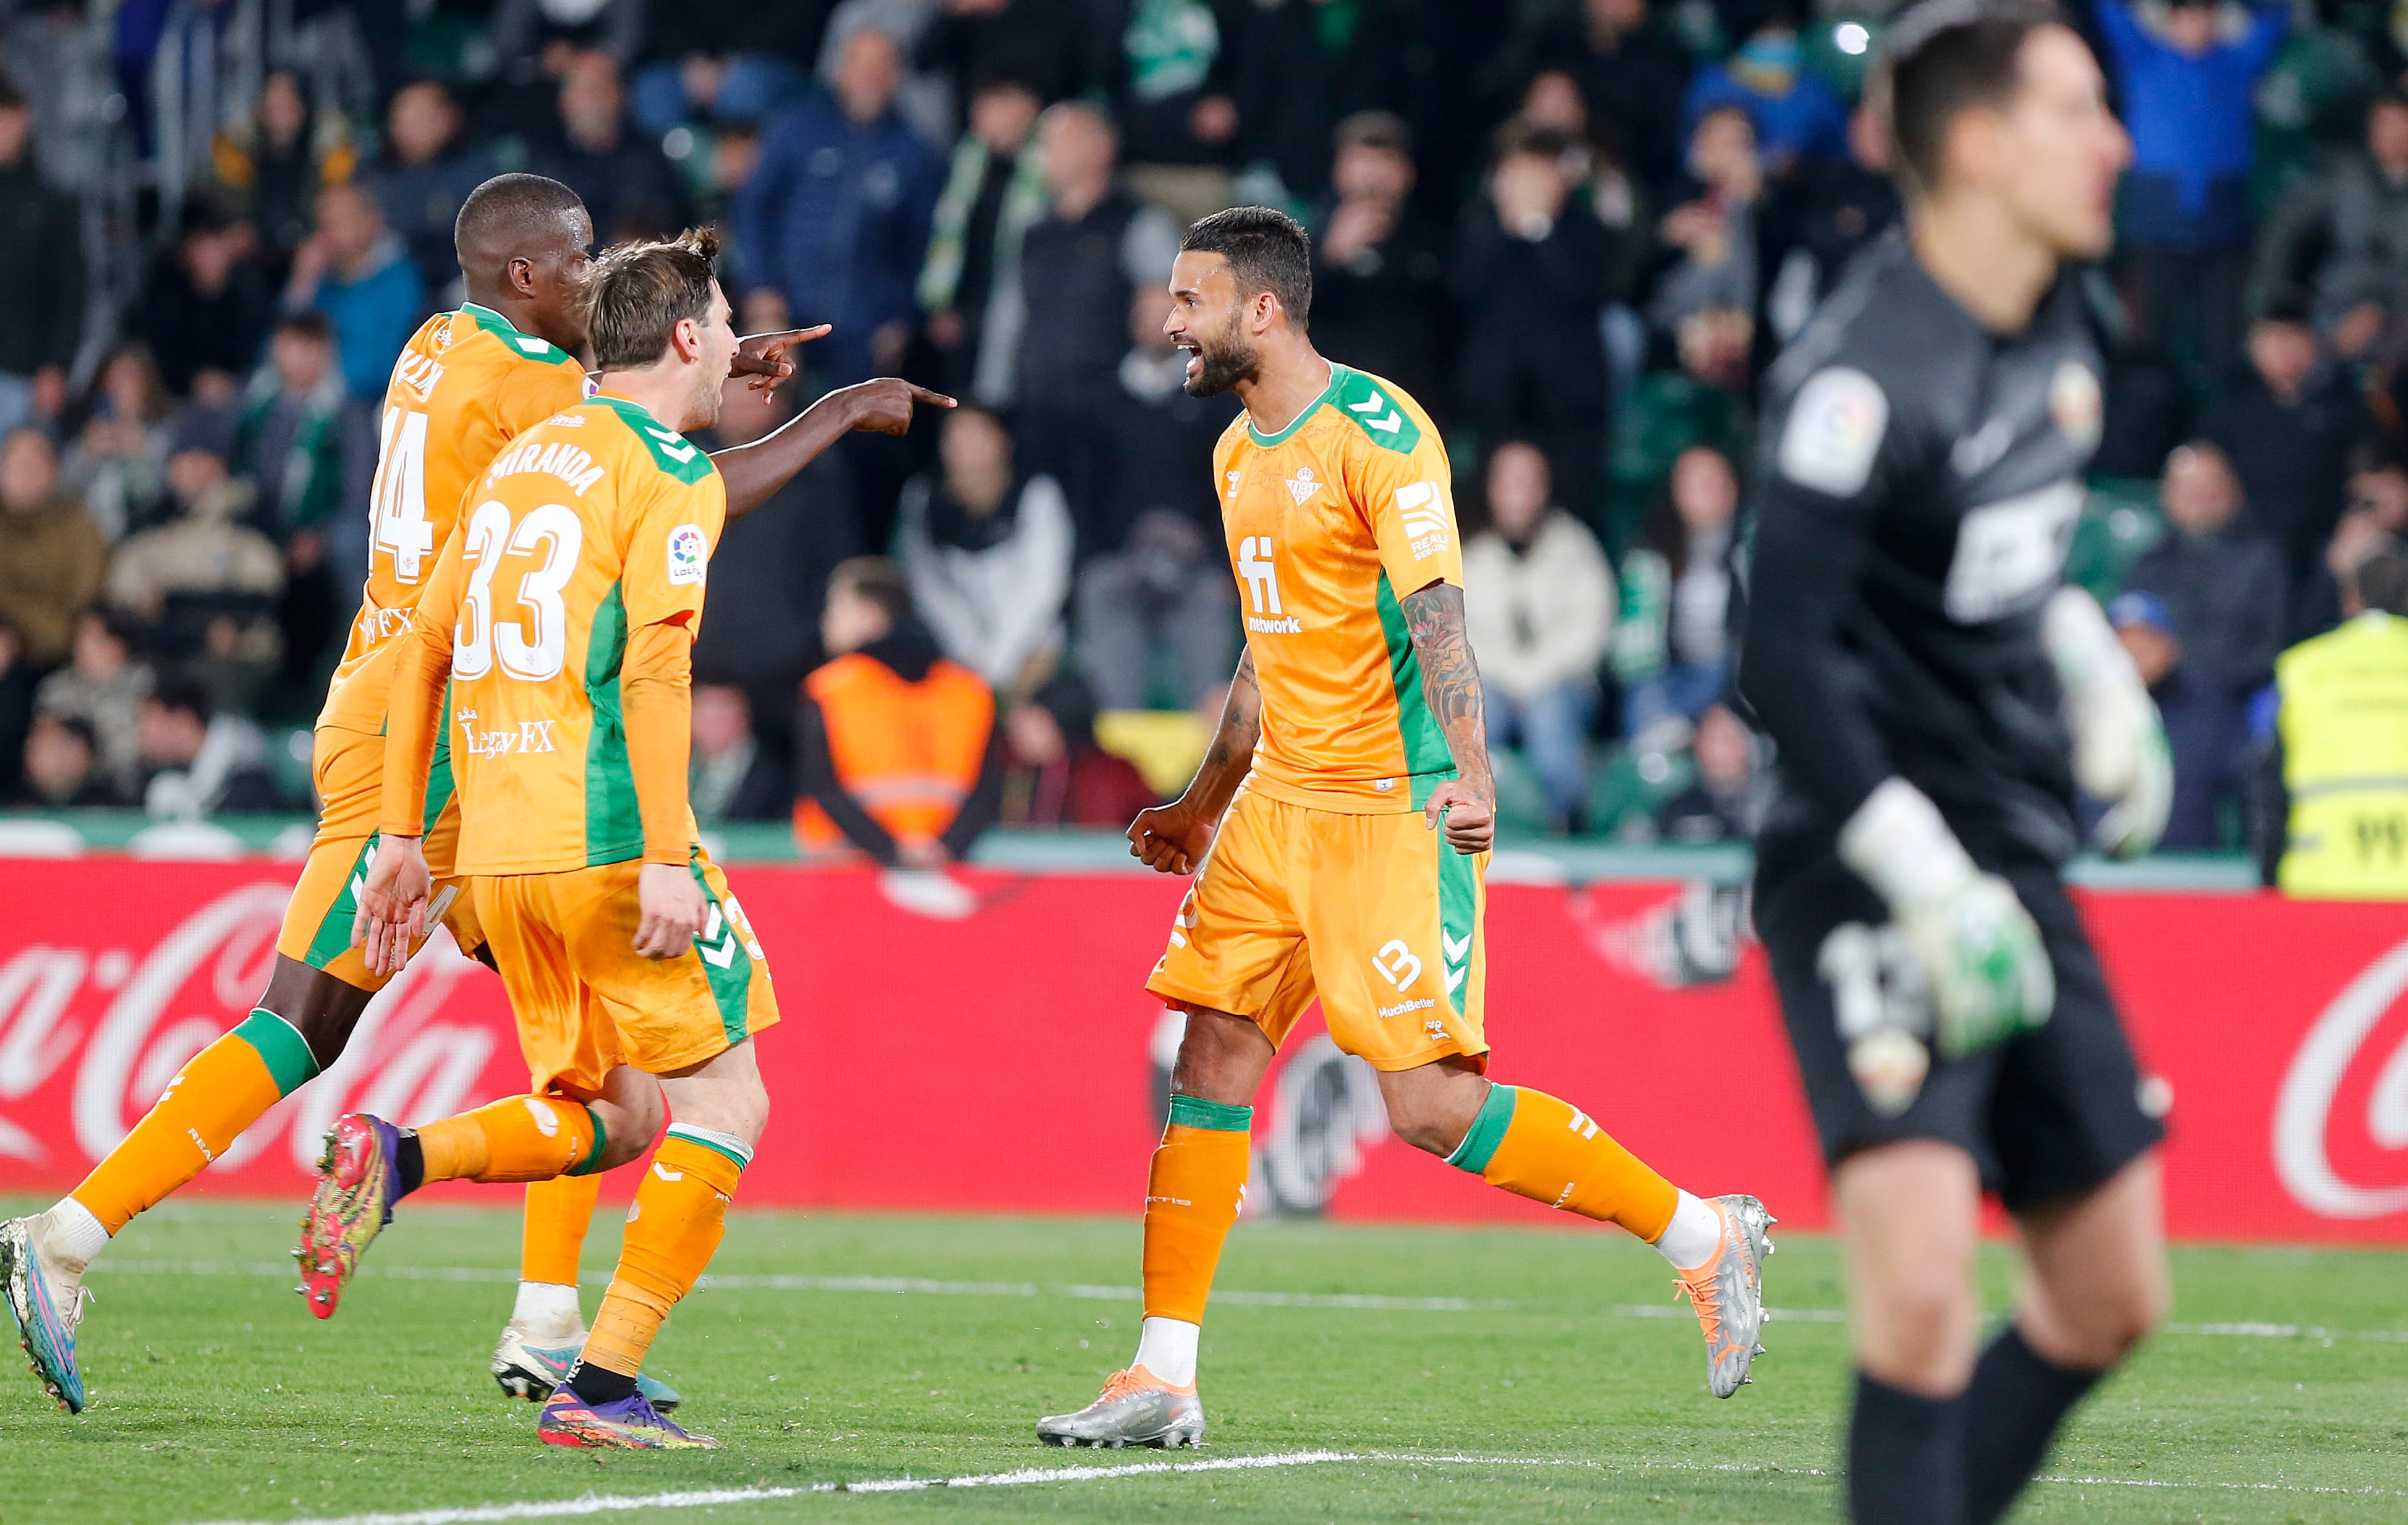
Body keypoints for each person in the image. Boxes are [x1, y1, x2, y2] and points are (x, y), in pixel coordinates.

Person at [0, 174, 949, 1419]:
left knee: (605, 1063)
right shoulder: (542, 389)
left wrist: (701, 357)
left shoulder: (439, 342)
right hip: (436, 736)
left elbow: (633, 409)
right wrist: (816, 409)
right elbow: (674, 476)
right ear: (521, 278)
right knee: (306, 1020)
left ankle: (548, 1319)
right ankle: (64, 1238)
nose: (596, 273)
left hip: (432, 708)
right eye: (579, 258)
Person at [1037, 207, 1771, 1450]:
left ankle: (1704, 1233)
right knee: (1209, 1059)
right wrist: (1200, 804)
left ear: (1259, 309)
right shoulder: (1235, 457)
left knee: (1428, 1110)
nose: (1170, 321)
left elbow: (1440, 615)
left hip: (1387, 807)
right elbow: (1267, 654)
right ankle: (1163, 1373)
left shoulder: (1383, 435)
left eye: (1189, 299)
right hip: (1277, 809)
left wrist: (1474, 773)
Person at [327, 226, 944, 1453]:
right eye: (718, 322)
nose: (730, 343)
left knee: (616, 1110)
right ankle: (599, 1381)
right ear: (680, 338)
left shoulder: (521, 460)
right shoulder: (662, 472)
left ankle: (398, 1154)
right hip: (609, 835)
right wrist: (668, 850)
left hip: (497, 854)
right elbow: (660, 676)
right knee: (732, 1099)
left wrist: (403, 837)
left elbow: (423, 658)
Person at [1734, 8, 2172, 1521]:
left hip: (2014, 837)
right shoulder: (1858, 371)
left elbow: (1998, 542)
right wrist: (1917, 868)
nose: (2112, 141)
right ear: (1978, 147)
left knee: (2111, 1293)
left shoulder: (2063, 321)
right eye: (2075, 111)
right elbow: (1773, 652)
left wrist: (2089, 664)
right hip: (1864, 847)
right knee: (1918, 1293)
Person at [1008, 103, 1181, 540]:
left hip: (1109, 422)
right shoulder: (1034, 232)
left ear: (1099, 148)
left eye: (1057, 142)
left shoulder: (1140, 223)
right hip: (1037, 413)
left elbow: (1166, 318)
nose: (1044, 153)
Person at [2095, 0, 2287, 387]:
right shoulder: (2143, 56)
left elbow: (2275, 15)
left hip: (2221, 230)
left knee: (2224, 347)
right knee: (2149, 345)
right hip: (2156, 227)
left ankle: (2219, 437)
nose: (2196, 25)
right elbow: (2107, 10)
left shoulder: (2236, 64)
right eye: (2187, 14)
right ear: (2172, 19)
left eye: (2205, 14)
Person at [737, 27, 942, 388]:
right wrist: (761, 288)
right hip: (787, 311)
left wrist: (901, 317)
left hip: (864, 328)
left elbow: (922, 245)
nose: (871, 77)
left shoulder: (913, 152)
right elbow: (755, 211)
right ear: (840, 70)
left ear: (896, 77)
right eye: (862, 65)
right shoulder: (796, 129)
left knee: (853, 430)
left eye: (881, 67)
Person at [1078, 286, 1242, 712]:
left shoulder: (1217, 401)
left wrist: (1220, 562)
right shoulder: (1099, 399)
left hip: (1198, 563)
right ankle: (1119, 749)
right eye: (1144, 311)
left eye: (1167, 312)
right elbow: (1084, 494)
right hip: (1118, 558)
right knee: (1099, 589)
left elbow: (1234, 489)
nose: (1156, 323)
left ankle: (1204, 755)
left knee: (1211, 598)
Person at [2121, 442, 2287, 850]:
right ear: (2168, 496)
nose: (2199, 499)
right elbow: (2128, 646)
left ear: (2233, 492)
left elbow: (2273, 646)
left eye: (2210, 487)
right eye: (2188, 488)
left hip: (2237, 705)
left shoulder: (2260, 559)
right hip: (2166, 708)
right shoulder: (2148, 565)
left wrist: (2205, 674)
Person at [794, 556, 1003, 866]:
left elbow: (822, 786)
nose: (826, 620)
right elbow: (988, 791)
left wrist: (891, 850)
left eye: (835, 606)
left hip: (843, 874)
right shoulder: (970, 690)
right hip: (946, 873)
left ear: (871, 615)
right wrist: (944, 848)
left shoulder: (829, 690)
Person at [1452, 127, 1614, 527]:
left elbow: (1579, 288)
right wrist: (1505, 226)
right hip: (1494, 404)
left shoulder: (1586, 227)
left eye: (1538, 174)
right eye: (1517, 172)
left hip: (1567, 407)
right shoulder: (1478, 225)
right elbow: (1462, 288)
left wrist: (1539, 225)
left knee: (1572, 517)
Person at [1463, 440, 1614, 833]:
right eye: (1508, 481)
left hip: (1562, 683)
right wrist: (1514, 677)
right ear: (1492, 489)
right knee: (1475, 712)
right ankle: (1476, 823)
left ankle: (1564, 827)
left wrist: (1533, 677)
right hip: (1493, 682)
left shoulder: (1576, 547)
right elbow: (1460, 633)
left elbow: (1591, 630)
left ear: (1544, 488)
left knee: (1550, 713)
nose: (1518, 492)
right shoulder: (1472, 553)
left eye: (1528, 481)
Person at [2199, 297, 2365, 617]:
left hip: (2323, 549)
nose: (2283, 349)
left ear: (2312, 343)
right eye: (2273, 338)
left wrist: (2357, 525)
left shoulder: (2342, 406)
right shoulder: (2231, 408)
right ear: (2253, 345)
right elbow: (2202, 473)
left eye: (2294, 337)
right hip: (2245, 547)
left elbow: (2371, 478)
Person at [898, 406, 1073, 693]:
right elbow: (926, 584)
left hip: (1030, 645)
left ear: (1002, 442)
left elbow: (1045, 586)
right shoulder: (922, 497)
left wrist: (998, 661)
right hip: (953, 648)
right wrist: (969, 655)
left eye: (976, 436)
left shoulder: (1037, 493)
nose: (965, 448)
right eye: (955, 438)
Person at [2270, 542, 2408, 897]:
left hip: (2324, 879)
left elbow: (2266, 785)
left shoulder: (2300, 668)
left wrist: (2268, 876)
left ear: (2352, 598)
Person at [1307, 111, 1452, 421]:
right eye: (1361, 162)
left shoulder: (1431, 243)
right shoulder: (1303, 240)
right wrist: (1329, 257)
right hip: (1325, 410)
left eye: (1384, 162)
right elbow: (1279, 316)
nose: (1372, 176)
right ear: (1339, 170)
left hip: (1410, 410)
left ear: (1406, 174)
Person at [917, 71, 1048, 406]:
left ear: (1028, 108)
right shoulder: (968, 162)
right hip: (966, 307)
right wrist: (941, 302)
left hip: (1020, 304)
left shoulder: (1047, 166)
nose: (986, 116)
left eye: (999, 104)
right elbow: (947, 237)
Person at [2250, 93, 2408, 349]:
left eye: (2401, 124)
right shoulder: (2345, 177)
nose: (2393, 135)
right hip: (2334, 305)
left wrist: (2380, 310)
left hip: (2398, 313)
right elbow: (2289, 224)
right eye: (2384, 124)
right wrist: (2272, 299)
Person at [1619, 445, 1740, 756]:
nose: (1704, 495)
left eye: (1713, 484)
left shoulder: (1752, 549)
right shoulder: (1650, 557)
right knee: (1644, 695)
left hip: (1732, 671)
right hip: (1673, 673)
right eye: (1693, 485)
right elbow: (1632, 648)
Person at [286, 183, 426, 402]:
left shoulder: (400, 282)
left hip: (367, 408)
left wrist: (316, 376)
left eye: (337, 222)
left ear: (372, 223)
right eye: (322, 224)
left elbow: (386, 365)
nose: (326, 233)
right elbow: (276, 350)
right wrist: (302, 282)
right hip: (304, 402)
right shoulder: (321, 278)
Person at [0, 79, 84, 440]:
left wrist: (56, 366)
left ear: (22, 119)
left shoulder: (52, 202)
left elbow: (70, 290)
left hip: (22, 374)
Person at [538, 54, 688, 243]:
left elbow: (675, 222)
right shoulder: (545, 165)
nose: (595, 100)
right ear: (565, 102)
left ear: (620, 96)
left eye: (602, 88)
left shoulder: (648, 159)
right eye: (586, 90)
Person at [1683, 11, 1849, 172]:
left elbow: (1842, 148)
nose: (1778, 40)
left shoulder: (1814, 91)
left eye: (1785, 30)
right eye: (1767, 32)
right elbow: (1688, 153)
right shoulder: (1712, 83)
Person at [0, 428, 107, 673]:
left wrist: (18, 633)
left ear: (53, 470)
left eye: (35, 462)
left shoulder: (79, 525)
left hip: (53, 653)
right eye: (17, 463)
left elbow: (83, 600)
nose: (26, 473)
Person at [34, 611, 153, 799]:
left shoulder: (144, 685)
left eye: (93, 636)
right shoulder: (56, 689)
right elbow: (42, 746)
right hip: (66, 791)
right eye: (80, 635)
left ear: (118, 644)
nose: (82, 644)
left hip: (130, 789)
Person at [135, 677, 279, 818]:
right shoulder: (171, 771)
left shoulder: (248, 775)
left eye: (149, 724)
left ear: (183, 719)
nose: (143, 736)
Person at [689, 679, 788, 823]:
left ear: (744, 717)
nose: (714, 724)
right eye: (705, 714)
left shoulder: (772, 776)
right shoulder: (668, 766)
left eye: (723, 714)